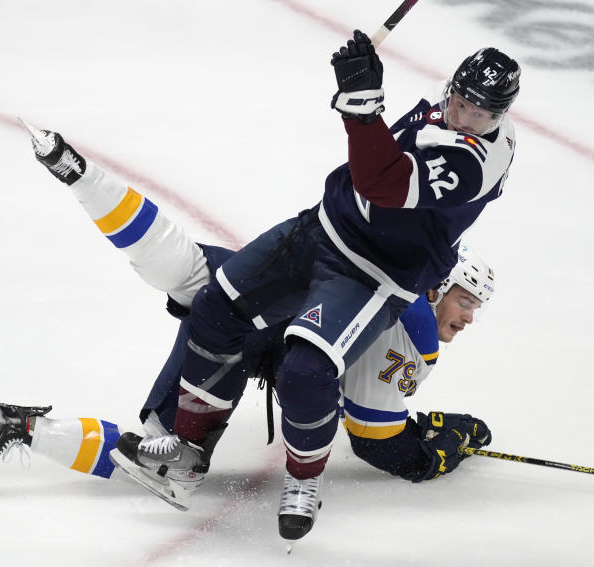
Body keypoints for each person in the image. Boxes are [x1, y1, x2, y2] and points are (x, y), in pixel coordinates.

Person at [0, 128, 496, 533]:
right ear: (437, 283)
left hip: (248, 305)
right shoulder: (415, 325)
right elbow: (378, 441)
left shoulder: (402, 288)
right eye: (466, 299)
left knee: (191, 270)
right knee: (170, 462)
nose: (469, 318)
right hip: (258, 342)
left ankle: (84, 177)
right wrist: (440, 449)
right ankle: (15, 428)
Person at [106, 29, 520, 541]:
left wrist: (360, 107)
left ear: (499, 115)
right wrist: (362, 74)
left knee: (307, 370)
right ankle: (187, 454)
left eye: (478, 114)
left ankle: (304, 482)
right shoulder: (453, 106)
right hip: (321, 228)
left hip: (371, 274)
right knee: (215, 308)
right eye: (458, 102)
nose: (462, 116)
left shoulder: (475, 164)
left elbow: (382, 183)